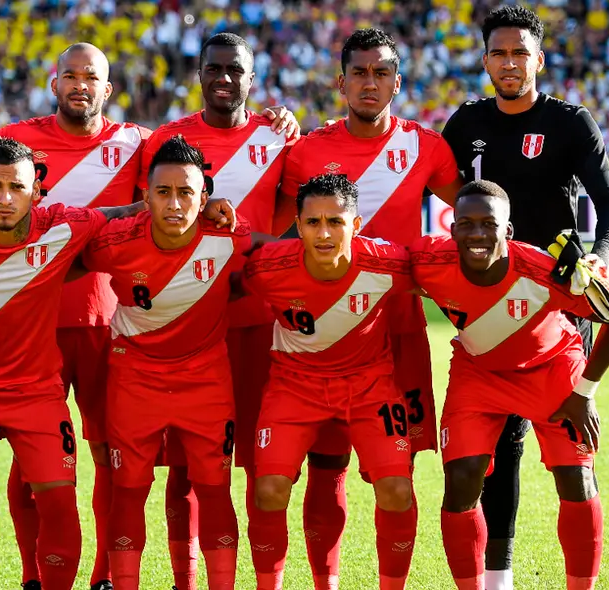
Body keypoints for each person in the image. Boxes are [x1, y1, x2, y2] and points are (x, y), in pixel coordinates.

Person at [0, 137, 234, 590]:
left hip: (37, 389)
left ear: (36, 192)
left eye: (16, 187)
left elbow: (119, 215)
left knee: (59, 501)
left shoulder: (62, 226)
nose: (6, 198)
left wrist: (199, 202)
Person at [440, 7, 609, 588]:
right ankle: (499, 577)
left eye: (521, 53)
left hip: (559, 303)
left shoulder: (571, 123)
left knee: (570, 450)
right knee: (499, 448)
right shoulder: (466, 121)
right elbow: (433, 184)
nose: (510, 64)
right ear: (485, 59)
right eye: (499, 53)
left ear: (539, 59)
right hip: (491, 302)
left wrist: (599, 257)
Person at [277, 28, 463, 589]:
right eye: (358, 72)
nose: (369, 82)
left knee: (396, 473)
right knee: (325, 466)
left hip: (399, 332)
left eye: (381, 72)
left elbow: (480, 223)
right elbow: (273, 232)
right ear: (340, 82)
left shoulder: (428, 147)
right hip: (324, 336)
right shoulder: (307, 150)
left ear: (398, 82)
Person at [410, 180, 609, 590]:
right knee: (460, 480)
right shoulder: (427, 260)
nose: (477, 234)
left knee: (576, 478)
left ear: (508, 231)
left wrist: (584, 393)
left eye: (488, 224)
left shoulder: (544, 270)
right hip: (478, 372)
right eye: (466, 224)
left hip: (552, 369)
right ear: (452, 228)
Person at [137, 32, 299, 589]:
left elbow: (290, 225)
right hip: (182, 322)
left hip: (254, 322)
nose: (225, 78)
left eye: (236, 69)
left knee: (259, 464)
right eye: (215, 68)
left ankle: (264, 582)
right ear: (199, 73)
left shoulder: (280, 141)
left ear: (254, 79)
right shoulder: (166, 140)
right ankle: (186, 581)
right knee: (183, 468)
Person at [0, 42, 151, 590]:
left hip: (110, 323)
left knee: (111, 456)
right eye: (70, 75)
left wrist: (282, 120)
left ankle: (105, 577)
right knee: (28, 461)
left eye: (92, 77)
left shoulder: (136, 143)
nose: (80, 84)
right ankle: (34, 575)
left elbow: (203, 153)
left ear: (108, 89)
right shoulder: (13, 142)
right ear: (53, 82)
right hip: (31, 324)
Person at [78, 135, 252, 590]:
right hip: (134, 378)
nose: (174, 204)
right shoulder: (115, 241)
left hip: (206, 380)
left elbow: (287, 253)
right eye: (163, 193)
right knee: (128, 490)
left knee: (215, 489)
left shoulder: (230, 236)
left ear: (206, 198)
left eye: (187, 193)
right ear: (145, 197)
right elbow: (64, 256)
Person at [241, 174, 419, 590]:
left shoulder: (387, 261)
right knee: (268, 491)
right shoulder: (268, 267)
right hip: (293, 385)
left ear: (356, 225)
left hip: (372, 386)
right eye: (313, 222)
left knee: (397, 491)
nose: (323, 233)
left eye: (335, 222)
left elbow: (449, 275)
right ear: (298, 225)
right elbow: (217, 282)